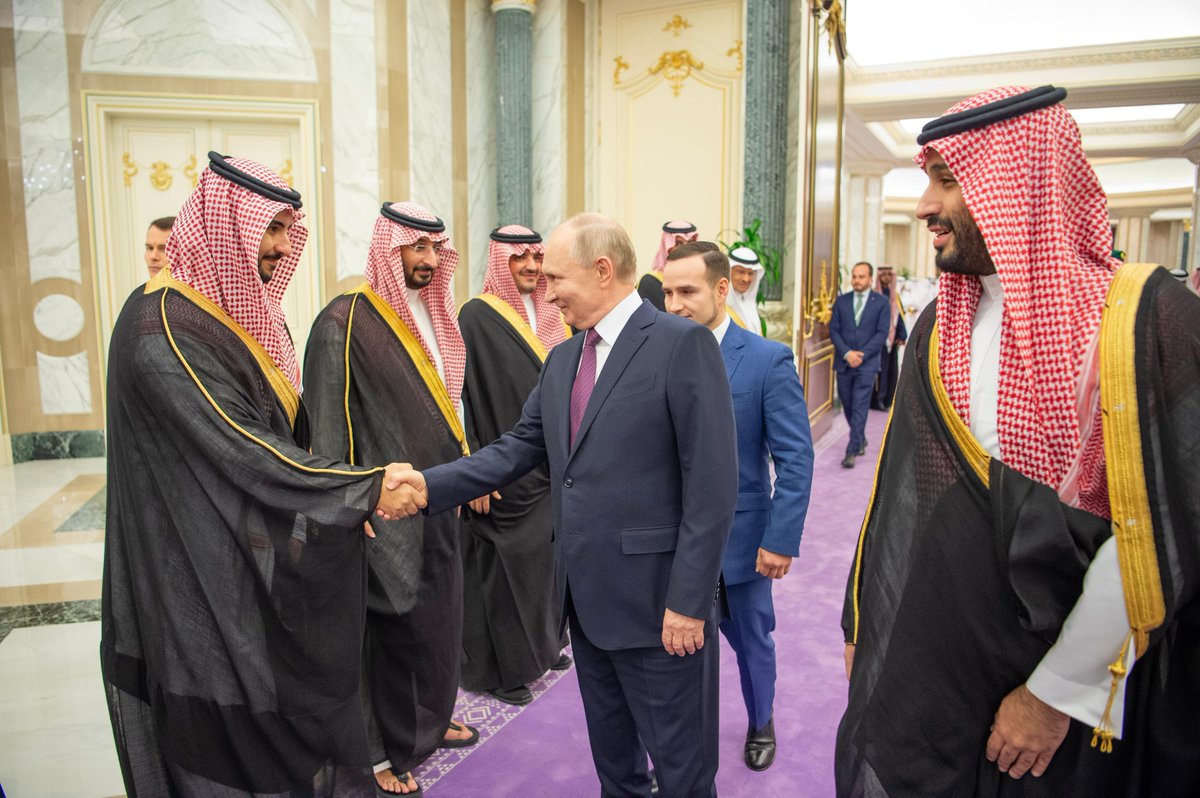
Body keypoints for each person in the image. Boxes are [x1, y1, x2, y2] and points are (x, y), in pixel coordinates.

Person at [838, 85, 1200, 797]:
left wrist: (1055, 692)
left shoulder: (1146, 320)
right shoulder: (941, 323)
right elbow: (904, 493)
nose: (924, 206)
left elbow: (1159, 529)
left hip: (1068, 680)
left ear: (1019, 182)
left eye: (946, 179)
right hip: (943, 655)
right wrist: (867, 620)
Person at [101, 153, 425, 796]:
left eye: (285, 229)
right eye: (269, 228)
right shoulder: (165, 328)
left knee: (258, 706)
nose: (280, 245)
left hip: (239, 543)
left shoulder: (215, 314)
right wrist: (358, 490)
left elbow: (278, 433)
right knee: (218, 716)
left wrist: (338, 497)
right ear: (226, 225)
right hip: (192, 562)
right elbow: (242, 445)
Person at [391, 213, 738, 797]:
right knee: (616, 769)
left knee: (683, 774)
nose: (547, 292)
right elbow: (517, 448)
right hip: (585, 606)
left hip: (661, 611)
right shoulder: (564, 359)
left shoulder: (682, 344)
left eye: (556, 278)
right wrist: (427, 485)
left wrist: (688, 601)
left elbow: (712, 485)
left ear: (602, 270)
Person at [303, 202, 479, 797]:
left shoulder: (436, 313)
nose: (429, 260)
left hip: (438, 498)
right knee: (388, 628)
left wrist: (467, 473)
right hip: (381, 509)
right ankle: (379, 750)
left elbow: (451, 408)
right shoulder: (344, 319)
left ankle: (427, 722)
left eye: (435, 249)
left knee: (438, 619)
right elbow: (328, 422)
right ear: (388, 247)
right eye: (416, 247)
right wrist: (346, 503)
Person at [662, 241, 813, 772]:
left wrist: (780, 538)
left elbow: (795, 458)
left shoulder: (767, 360)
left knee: (752, 643)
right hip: (669, 543)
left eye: (687, 291)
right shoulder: (655, 354)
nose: (674, 304)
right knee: (675, 651)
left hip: (742, 544)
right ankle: (679, 746)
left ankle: (761, 720)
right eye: (667, 292)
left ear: (721, 289)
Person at [456, 224, 571, 706]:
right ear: (499, 262)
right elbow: (459, 396)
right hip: (501, 470)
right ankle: (499, 672)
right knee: (503, 572)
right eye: (518, 258)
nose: (530, 266)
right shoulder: (476, 316)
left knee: (545, 564)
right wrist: (473, 470)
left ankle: (544, 647)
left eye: (536, 258)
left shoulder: (553, 310)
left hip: (547, 466)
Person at [828, 261, 889, 468]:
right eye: (854, 276)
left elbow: (882, 333)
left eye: (861, 277)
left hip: (867, 364)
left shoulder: (881, 302)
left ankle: (852, 449)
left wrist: (862, 355)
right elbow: (834, 330)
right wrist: (847, 353)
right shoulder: (841, 301)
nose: (856, 280)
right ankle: (860, 438)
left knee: (860, 406)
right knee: (847, 404)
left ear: (870, 279)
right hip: (844, 362)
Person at [637, 220, 698, 311]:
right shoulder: (651, 282)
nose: (686, 249)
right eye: (679, 243)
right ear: (667, 247)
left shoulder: (700, 278)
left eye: (690, 243)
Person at [869, 265, 907, 411]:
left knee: (890, 370)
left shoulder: (894, 296)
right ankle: (877, 400)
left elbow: (900, 316)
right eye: (883, 275)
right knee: (879, 371)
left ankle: (887, 400)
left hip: (892, 340)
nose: (886, 278)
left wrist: (901, 335)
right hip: (878, 340)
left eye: (888, 275)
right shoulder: (874, 295)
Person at [726, 245, 765, 336]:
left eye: (750, 273)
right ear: (729, 271)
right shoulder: (719, 308)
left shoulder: (750, 306)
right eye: (741, 272)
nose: (746, 279)